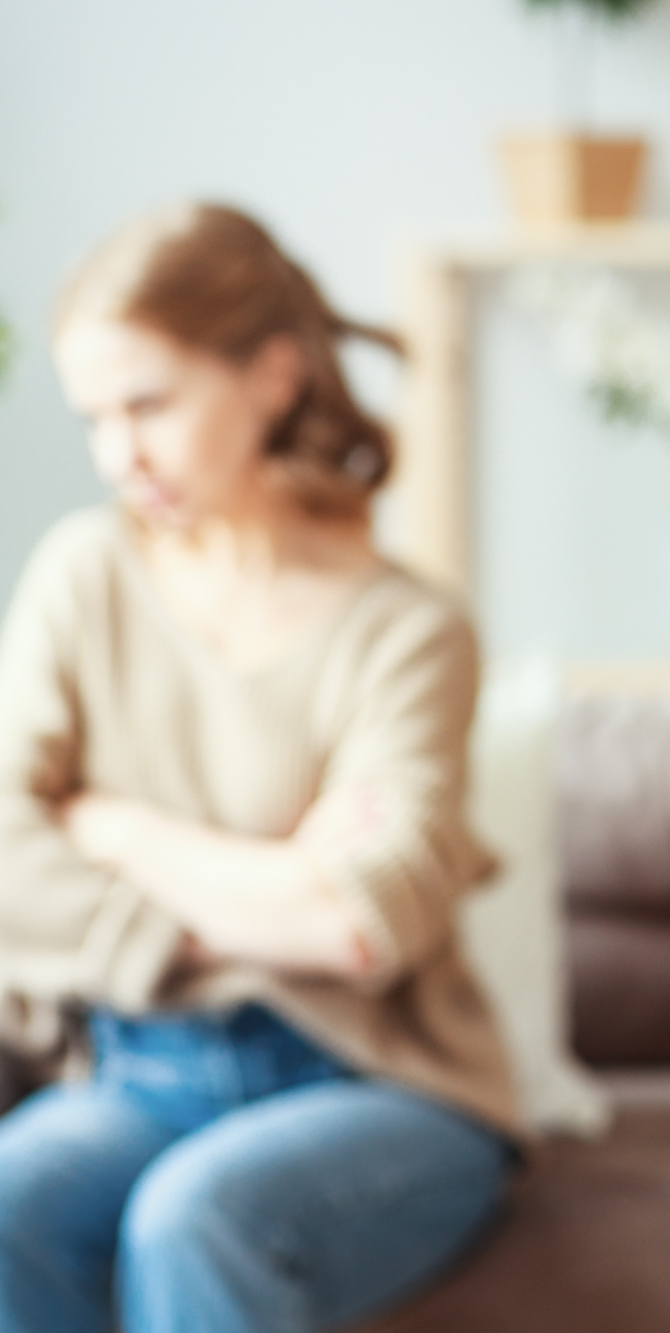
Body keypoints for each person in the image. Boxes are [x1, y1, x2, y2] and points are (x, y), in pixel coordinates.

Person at [0, 202, 518, 1333]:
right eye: (95, 415)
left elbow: (359, 926)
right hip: (142, 1068)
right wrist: (265, 885)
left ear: (273, 378)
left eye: (148, 404)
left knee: (197, 1219)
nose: (116, 455)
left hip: (377, 1085)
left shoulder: (408, 628)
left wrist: (111, 826)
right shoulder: (84, 576)